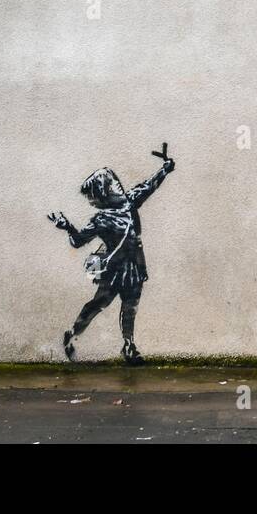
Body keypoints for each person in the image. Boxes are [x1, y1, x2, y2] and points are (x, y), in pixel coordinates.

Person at [47, 145, 175, 365]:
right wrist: (67, 227)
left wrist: (165, 168)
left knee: (130, 307)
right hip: (114, 269)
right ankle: (73, 333)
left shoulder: (131, 201)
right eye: (112, 183)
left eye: (115, 181)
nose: (118, 185)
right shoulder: (101, 219)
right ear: (104, 192)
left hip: (134, 267)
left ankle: (129, 345)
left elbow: (149, 185)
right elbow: (79, 241)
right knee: (99, 303)